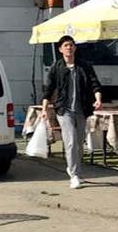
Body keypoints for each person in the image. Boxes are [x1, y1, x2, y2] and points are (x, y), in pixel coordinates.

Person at [41, 35, 103, 189]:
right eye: (66, 45)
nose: (69, 48)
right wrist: (44, 109)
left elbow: (95, 84)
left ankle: (73, 167)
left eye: (71, 45)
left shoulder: (84, 66)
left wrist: (98, 98)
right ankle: (75, 175)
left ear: (75, 48)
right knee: (71, 141)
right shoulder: (57, 67)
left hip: (82, 108)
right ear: (60, 49)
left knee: (79, 143)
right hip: (64, 109)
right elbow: (48, 89)